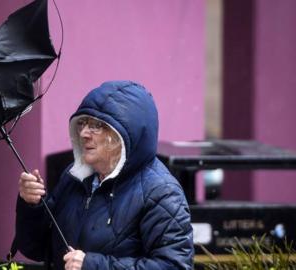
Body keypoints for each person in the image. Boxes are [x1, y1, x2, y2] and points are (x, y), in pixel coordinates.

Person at [15, 81, 194, 269]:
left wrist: (93, 265)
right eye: (83, 123)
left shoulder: (161, 193)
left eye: (96, 126)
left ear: (124, 136)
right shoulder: (75, 177)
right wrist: (32, 205)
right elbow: (36, 250)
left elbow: (175, 266)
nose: (84, 133)